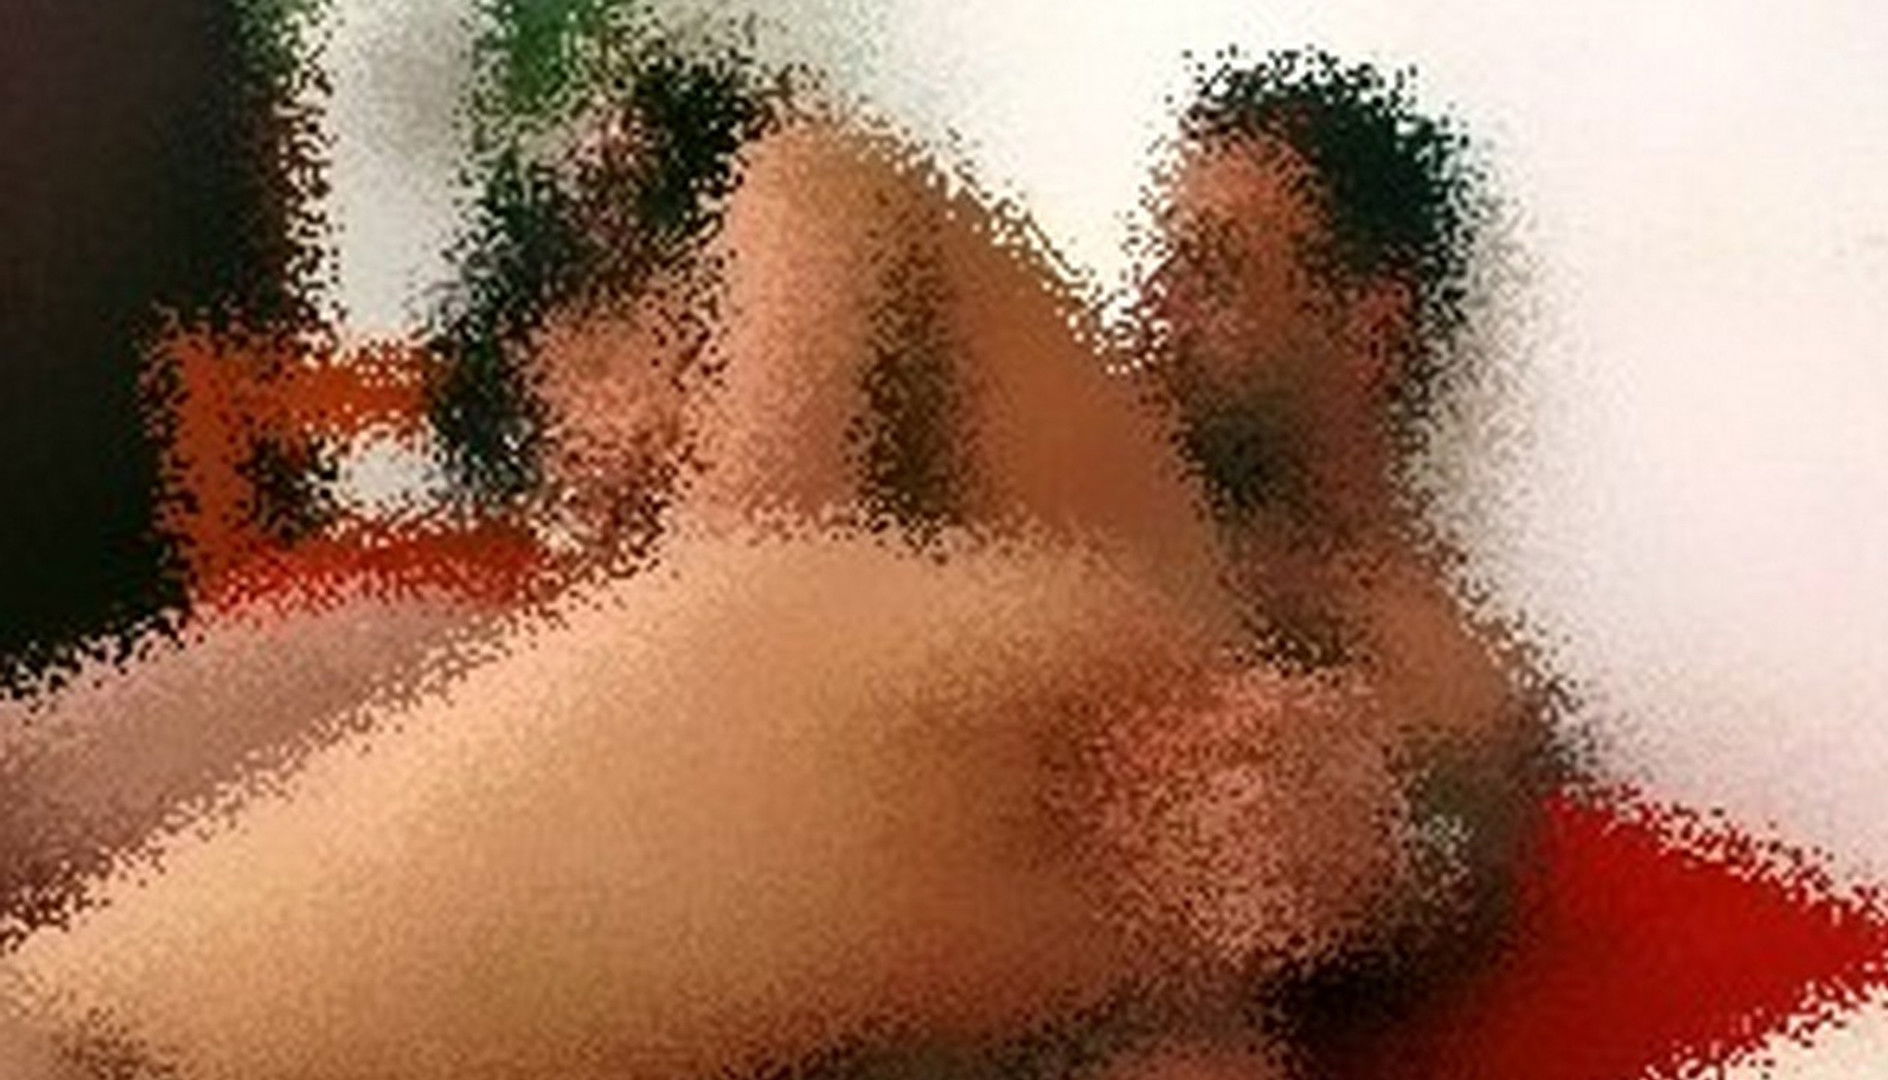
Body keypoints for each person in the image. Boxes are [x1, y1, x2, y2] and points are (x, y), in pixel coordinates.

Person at [0, 43, 1549, 1080]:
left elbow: (1450, 801)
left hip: (965, 896)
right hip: (730, 761)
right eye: (1159, 259)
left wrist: (1372, 835)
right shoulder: (1057, 433)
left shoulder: (1378, 614)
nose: (1154, 305)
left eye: (1214, 272)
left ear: (1371, 323)